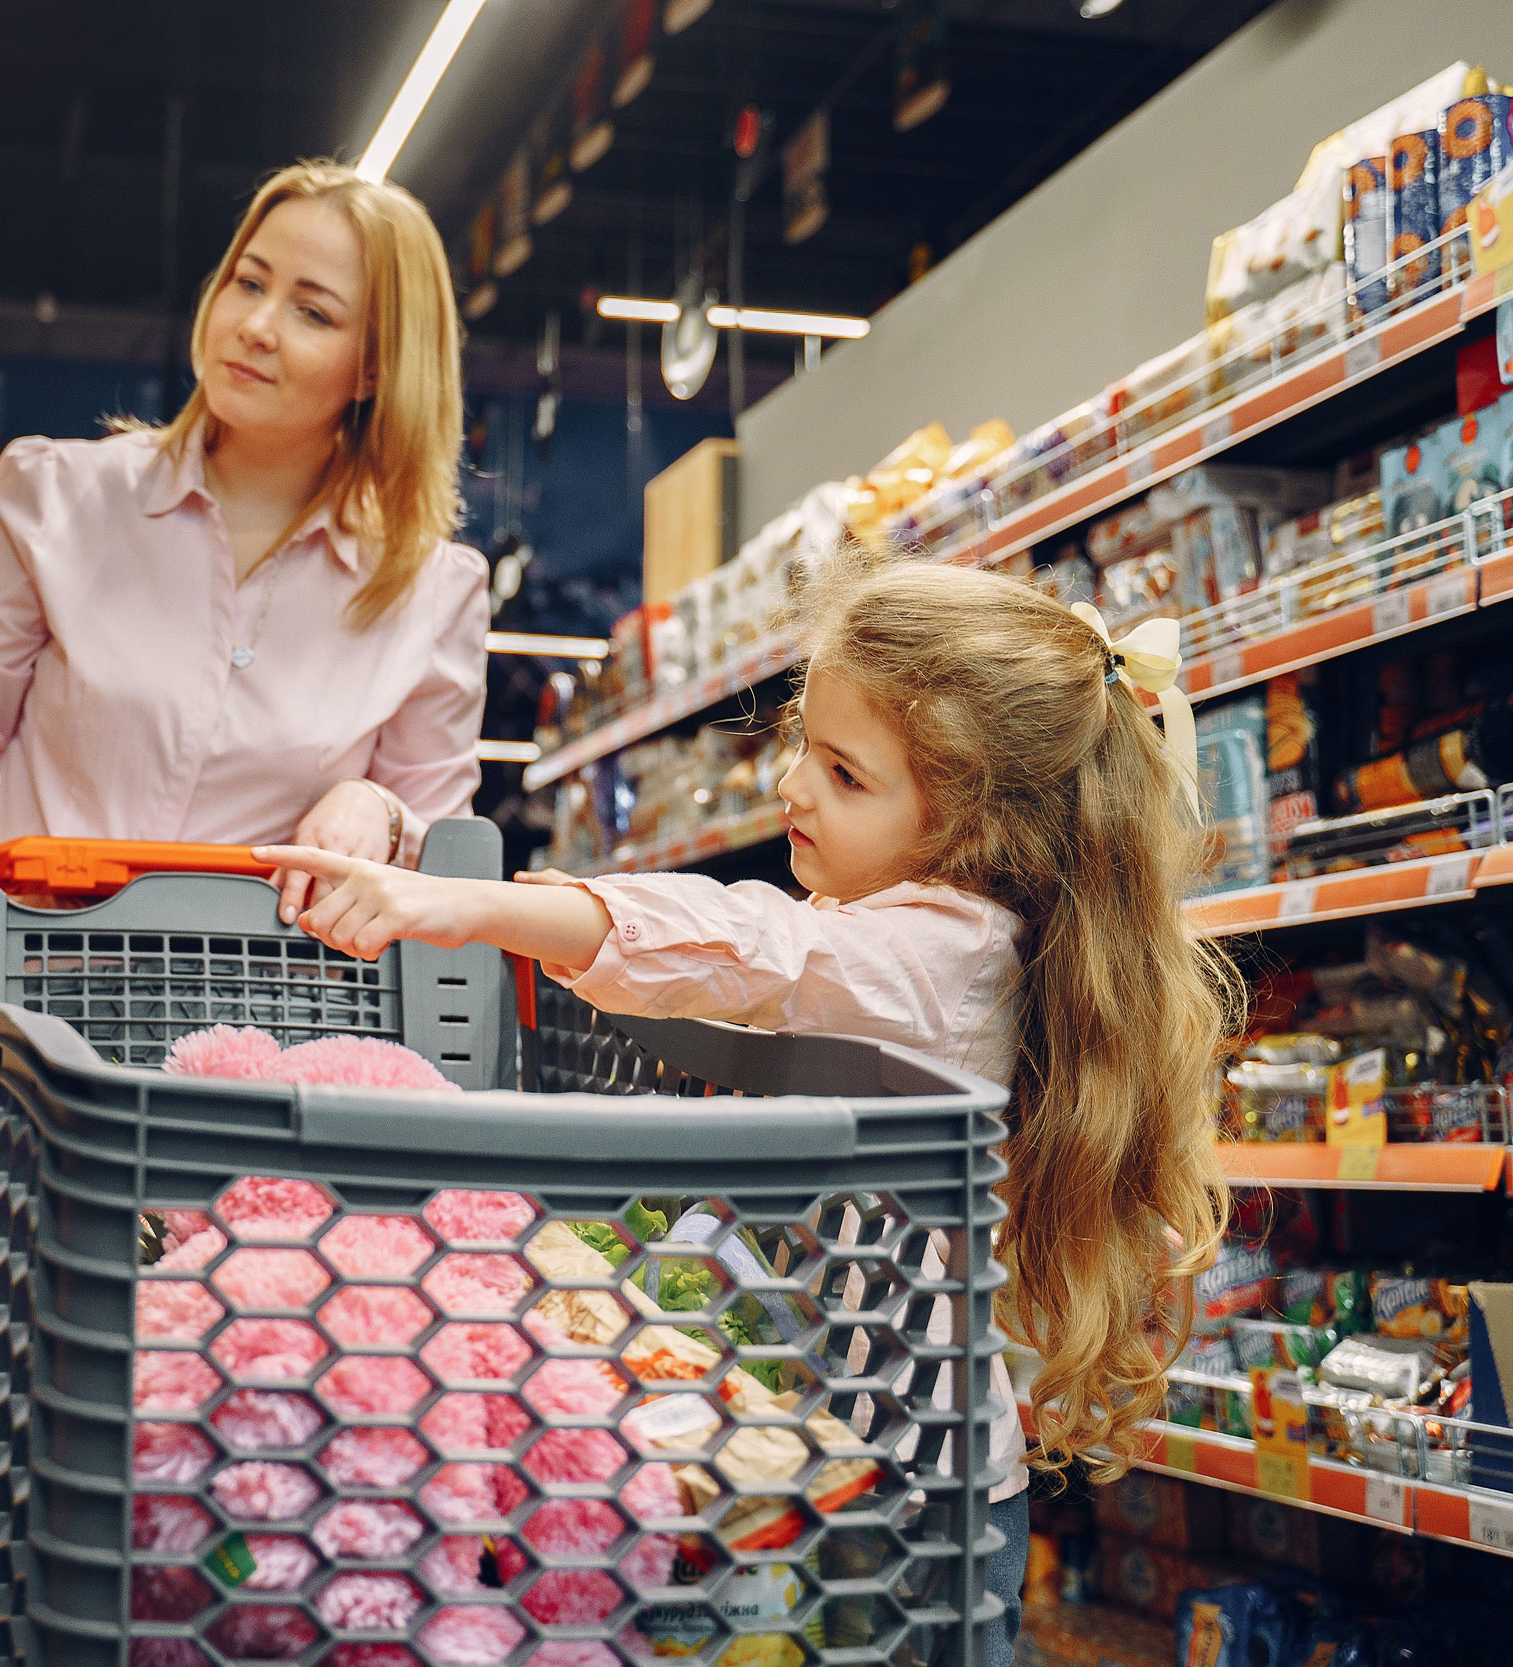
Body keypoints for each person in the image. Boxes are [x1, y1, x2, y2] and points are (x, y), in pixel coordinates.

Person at [258, 558, 1236, 1667]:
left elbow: (755, 945)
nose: (792, 786)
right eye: (802, 744)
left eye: (844, 774)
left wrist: (471, 907)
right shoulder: (914, 925)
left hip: (912, 1509)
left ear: (978, 830)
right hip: (841, 1456)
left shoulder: (945, 957)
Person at [0, 161, 488, 923]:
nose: (256, 325)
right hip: (23, 974)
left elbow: (445, 860)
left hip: (267, 993)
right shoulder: (61, 496)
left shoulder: (433, 589)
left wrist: (379, 812)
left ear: (377, 369)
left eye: (313, 313)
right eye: (248, 283)